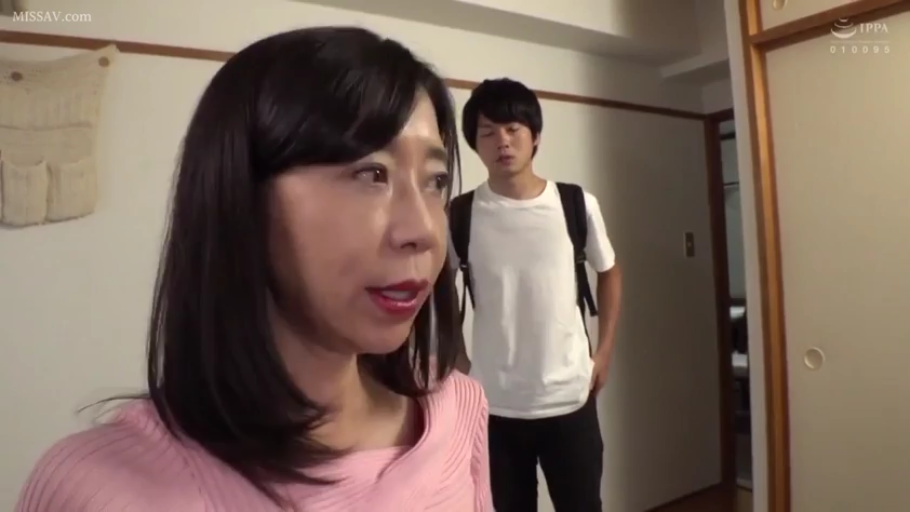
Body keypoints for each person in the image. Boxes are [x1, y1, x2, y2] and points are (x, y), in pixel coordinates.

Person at [15, 27, 492, 512]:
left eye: (436, 181)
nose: (424, 231)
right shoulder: (98, 488)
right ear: (242, 196)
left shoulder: (459, 411)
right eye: (371, 173)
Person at [450, 78, 623, 512]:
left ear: (536, 136)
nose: (502, 142)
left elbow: (609, 272)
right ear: (474, 143)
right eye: (488, 132)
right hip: (495, 405)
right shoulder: (460, 214)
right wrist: (456, 355)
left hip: (570, 398)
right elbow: (436, 289)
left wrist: (604, 352)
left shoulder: (575, 203)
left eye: (513, 129)